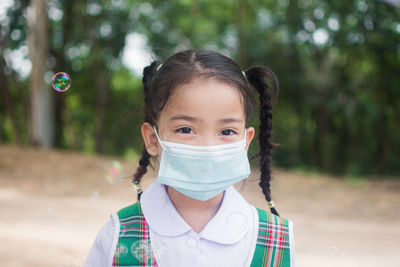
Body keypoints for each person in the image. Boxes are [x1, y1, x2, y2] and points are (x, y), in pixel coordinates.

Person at [85, 49, 297, 267]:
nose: (207, 147)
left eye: (226, 132)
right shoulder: (118, 235)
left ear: (246, 141)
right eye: (186, 129)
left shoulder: (276, 241)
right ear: (152, 139)